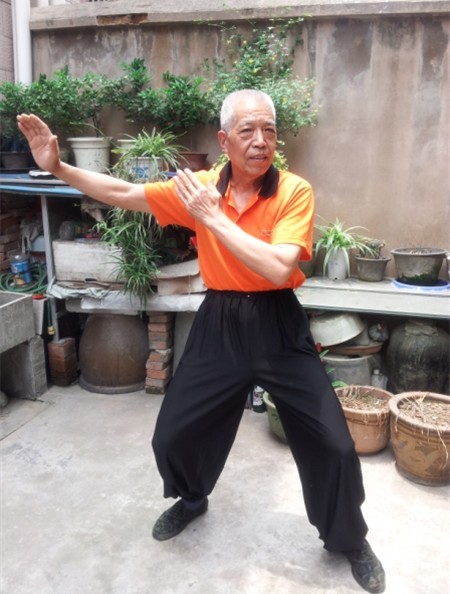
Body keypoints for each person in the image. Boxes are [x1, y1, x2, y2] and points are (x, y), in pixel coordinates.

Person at [18, 89, 385, 593]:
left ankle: (348, 538)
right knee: (173, 435)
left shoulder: (292, 191)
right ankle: (192, 499)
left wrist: (211, 217)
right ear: (224, 140)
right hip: (220, 321)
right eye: (248, 131)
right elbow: (124, 192)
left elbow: (279, 268)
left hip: (278, 323)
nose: (261, 141)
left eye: (269, 130)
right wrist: (58, 167)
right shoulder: (202, 188)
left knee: (334, 445)